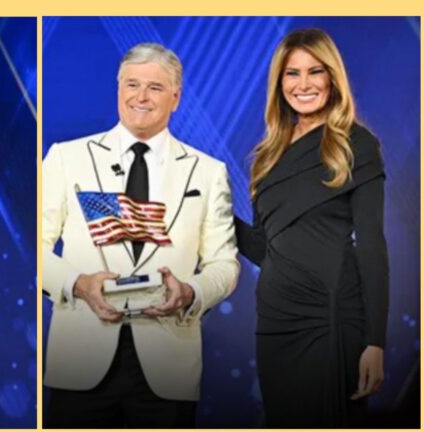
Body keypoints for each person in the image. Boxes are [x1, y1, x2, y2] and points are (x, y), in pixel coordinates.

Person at [42, 42, 239, 428]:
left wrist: (190, 293)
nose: (141, 97)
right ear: (118, 90)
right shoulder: (67, 158)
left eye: (155, 87)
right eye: (132, 85)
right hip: (81, 356)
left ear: (176, 97)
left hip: (168, 363)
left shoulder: (207, 171)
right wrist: (78, 284)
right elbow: (37, 247)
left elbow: (224, 264)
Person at [234, 28, 388, 427]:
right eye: (291, 73)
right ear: (278, 82)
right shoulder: (266, 156)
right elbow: (267, 251)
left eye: (314, 72)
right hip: (275, 324)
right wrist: (214, 216)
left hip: (331, 319)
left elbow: (372, 244)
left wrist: (375, 341)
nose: (303, 85)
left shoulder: (358, 144)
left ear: (332, 78)